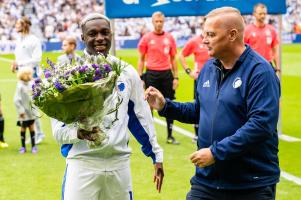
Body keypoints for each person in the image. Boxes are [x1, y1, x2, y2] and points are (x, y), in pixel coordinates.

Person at [145, 7, 280, 200]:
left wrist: (216, 152)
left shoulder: (260, 72)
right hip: (207, 181)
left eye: (210, 34)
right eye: (203, 35)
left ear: (232, 35)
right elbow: (200, 110)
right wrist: (166, 106)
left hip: (250, 184)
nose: (204, 40)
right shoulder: (209, 68)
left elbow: (261, 125)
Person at [51, 13, 164, 200]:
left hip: (119, 165)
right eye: (92, 34)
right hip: (82, 164)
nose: (99, 38)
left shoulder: (127, 72)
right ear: (83, 38)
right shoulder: (67, 76)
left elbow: (140, 116)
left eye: (104, 33)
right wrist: (79, 133)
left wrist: (156, 155)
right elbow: (58, 132)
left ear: (111, 35)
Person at [137, 11, 180, 145]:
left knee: (168, 103)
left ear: (164, 22)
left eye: (161, 21)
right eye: (156, 21)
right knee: (149, 105)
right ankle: (150, 136)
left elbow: (173, 59)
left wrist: (176, 77)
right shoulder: (146, 38)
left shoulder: (170, 38)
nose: (159, 24)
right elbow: (141, 59)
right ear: (152, 22)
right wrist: (140, 77)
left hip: (166, 74)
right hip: (151, 74)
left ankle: (170, 135)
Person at [11, 16, 45, 144]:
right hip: (22, 76)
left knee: (31, 105)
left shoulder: (34, 40)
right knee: (19, 102)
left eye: (18, 24)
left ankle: (39, 133)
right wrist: (16, 65)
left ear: (25, 25)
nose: (16, 26)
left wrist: (20, 63)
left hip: (32, 76)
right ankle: (35, 132)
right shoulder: (19, 39)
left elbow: (37, 59)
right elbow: (19, 58)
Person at [178, 19, 210, 142]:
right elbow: (181, 55)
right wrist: (189, 71)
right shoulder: (195, 41)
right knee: (199, 105)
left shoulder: (215, 40)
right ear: (202, 26)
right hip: (200, 78)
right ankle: (197, 134)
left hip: (217, 77)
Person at [244, 3, 280, 75]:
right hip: (253, 65)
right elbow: (242, 51)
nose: (263, 16)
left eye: (264, 13)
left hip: (268, 64)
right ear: (254, 14)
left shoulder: (271, 30)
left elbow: (275, 51)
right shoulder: (247, 30)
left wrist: (277, 66)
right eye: (260, 14)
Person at [14, 67, 38, 154]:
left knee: (32, 127)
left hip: (31, 112)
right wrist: (21, 111)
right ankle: (23, 147)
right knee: (23, 128)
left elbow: (34, 96)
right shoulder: (20, 86)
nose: (29, 76)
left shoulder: (31, 83)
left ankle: (33, 146)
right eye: (27, 74)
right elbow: (16, 100)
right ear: (22, 75)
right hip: (23, 113)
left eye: (30, 74)